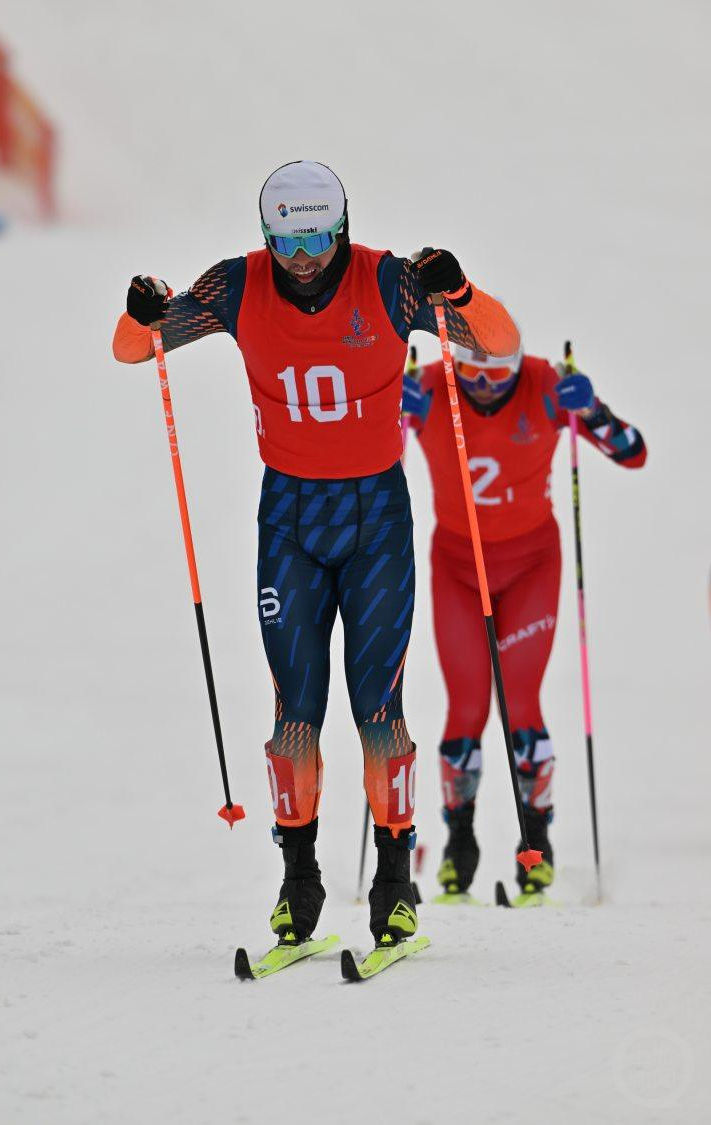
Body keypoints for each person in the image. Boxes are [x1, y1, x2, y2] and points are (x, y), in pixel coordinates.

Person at [113, 160, 519, 945]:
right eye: (286, 238)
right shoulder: (235, 285)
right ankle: (300, 880)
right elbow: (137, 349)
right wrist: (139, 313)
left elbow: (495, 347)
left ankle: (395, 884)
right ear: (267, 234)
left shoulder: (392, 284)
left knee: (378, 709)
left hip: (374, 518)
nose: (302, 257)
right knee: (294, 713)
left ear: (342, 226)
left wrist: (461, 295)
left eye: (317, 237)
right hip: (291, 517)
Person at [403, 336, 646, 904]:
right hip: (458, 567)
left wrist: (591, 410)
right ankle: (459, 845)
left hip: (530, 564)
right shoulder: (433, 384)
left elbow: (633, 452)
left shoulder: (542, 384)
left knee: (520, 700)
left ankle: (536, 846)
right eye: (472, 376)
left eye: (497, 378)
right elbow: (368, 459)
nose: (484, 388)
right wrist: (397, 412)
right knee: (466, 704)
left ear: (518, 367)